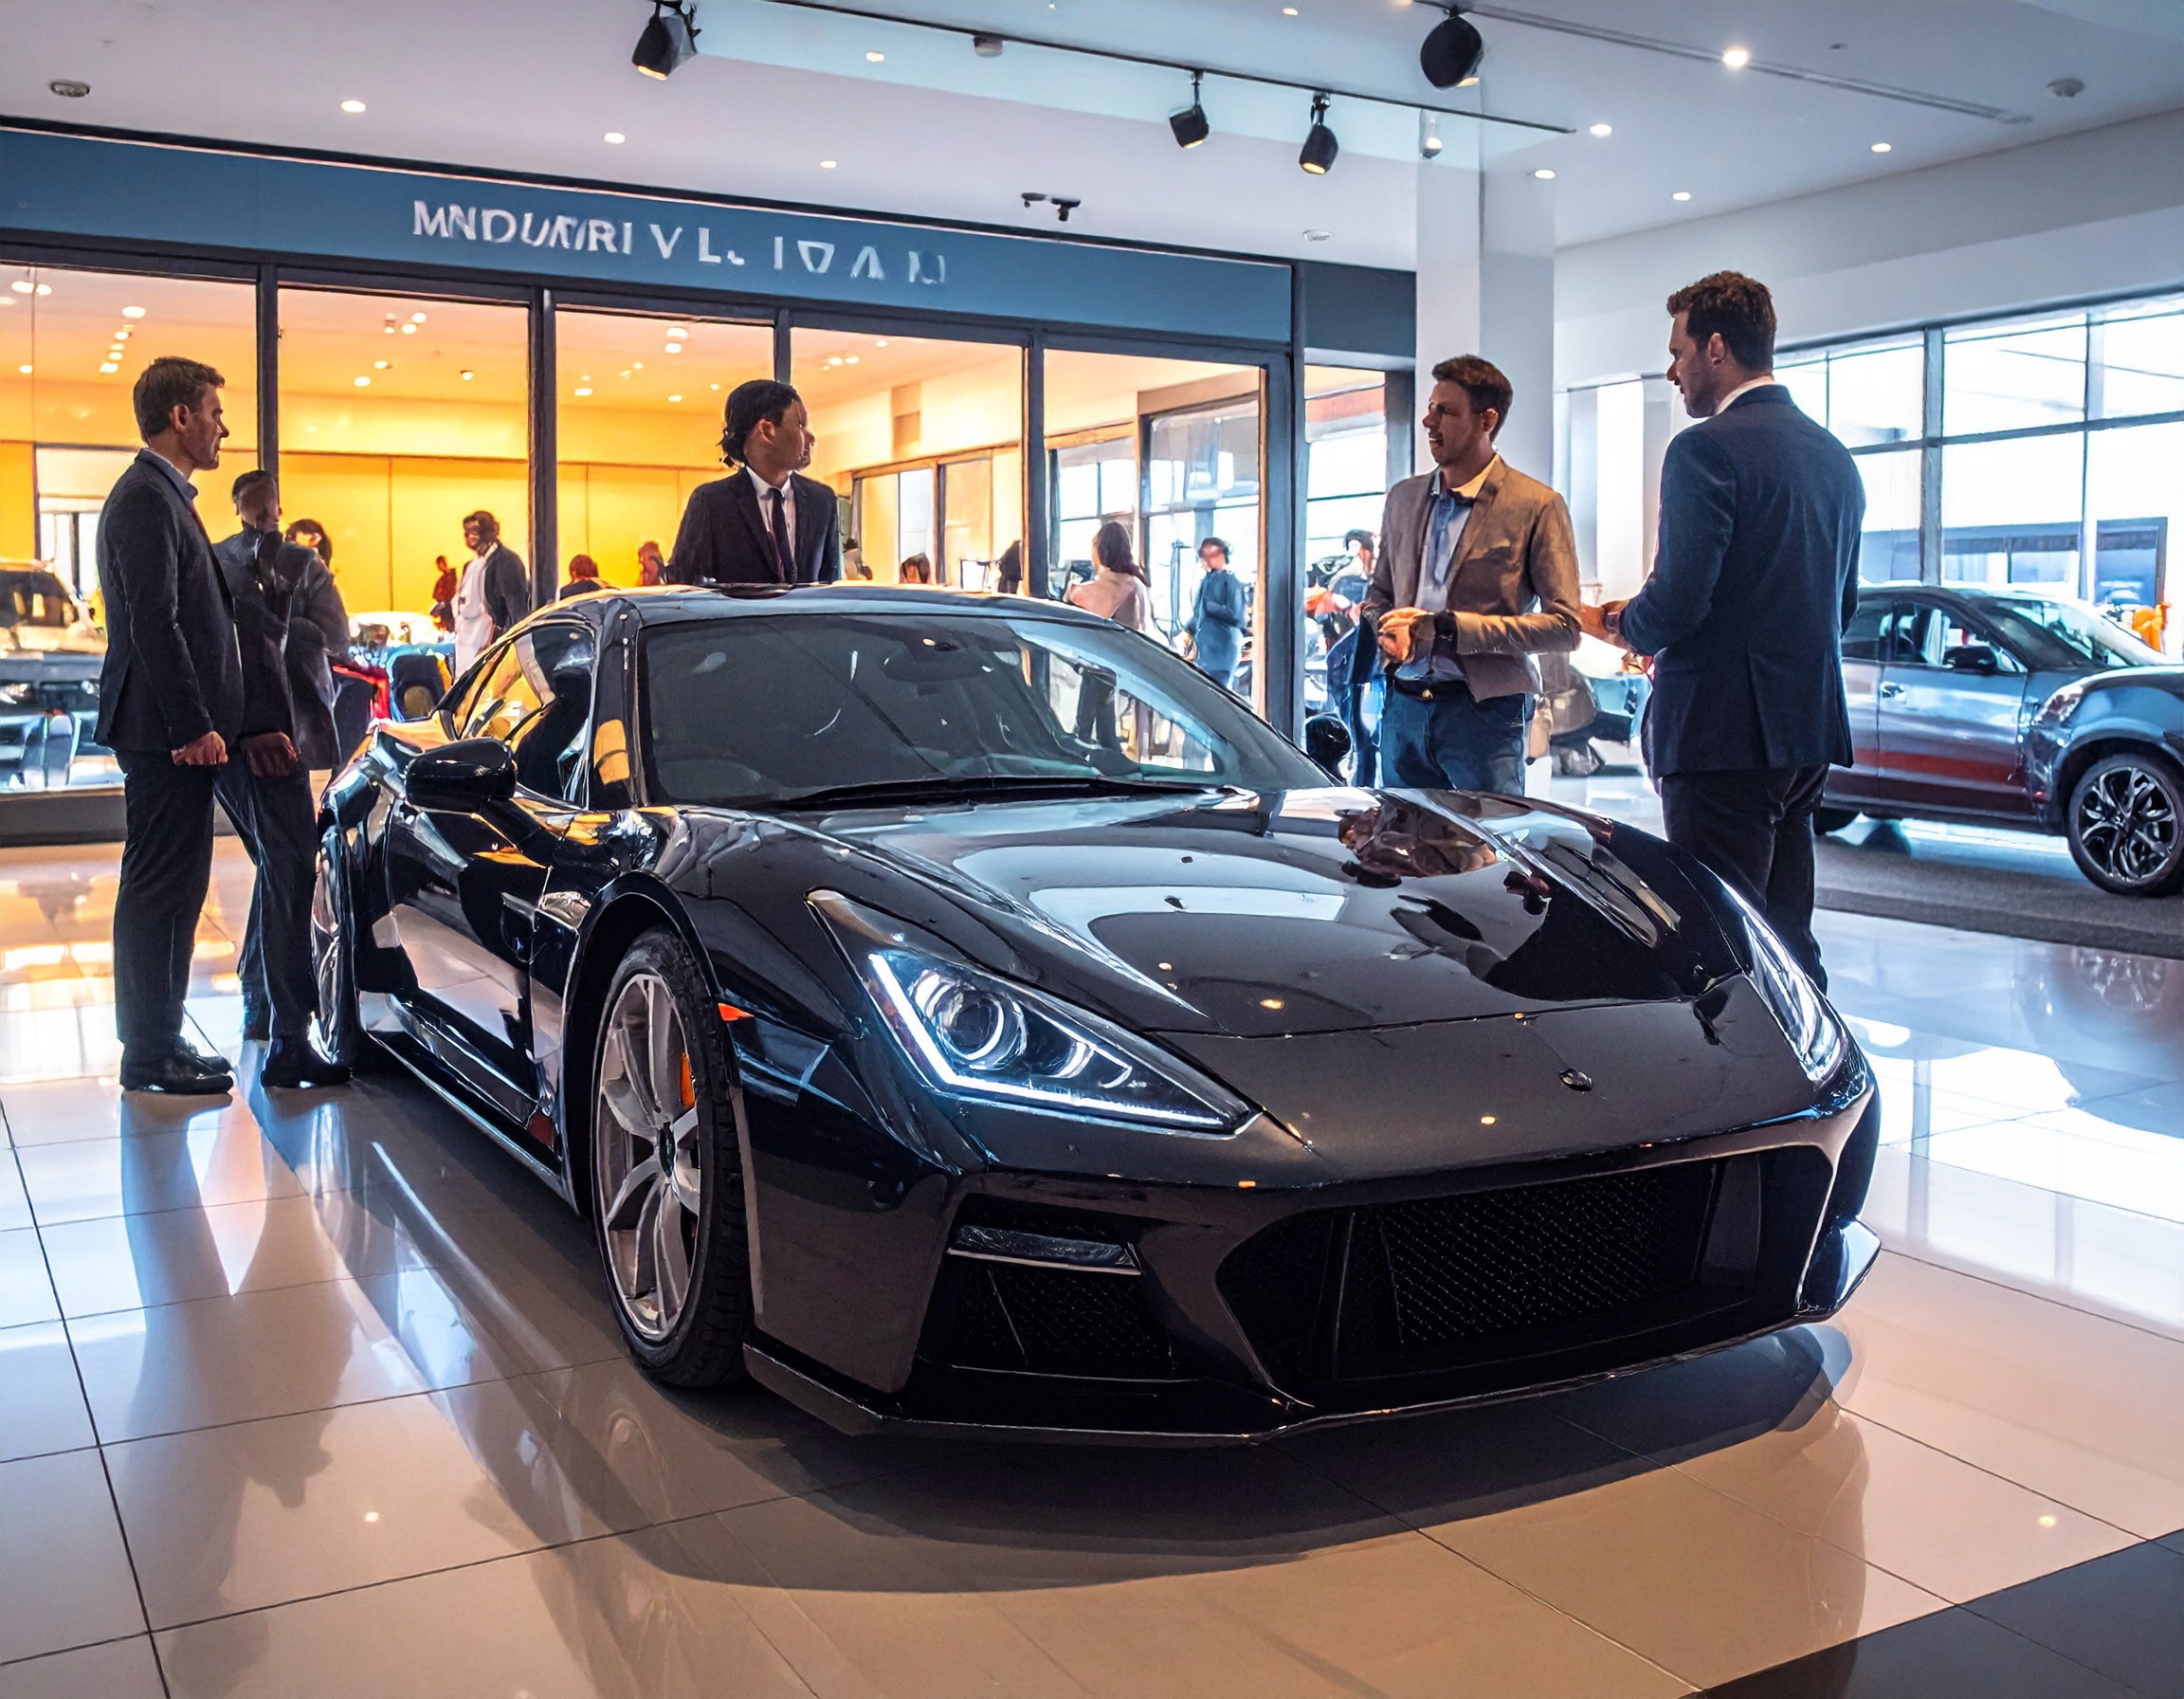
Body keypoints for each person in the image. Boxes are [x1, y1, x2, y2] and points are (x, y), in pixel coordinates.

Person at [1580, 271, 1863, 988]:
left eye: (1677, 353)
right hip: (1804, 729)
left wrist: (1623, 624)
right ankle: (1817, 1073)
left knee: (1723, 936)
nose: (1672, 372)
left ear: (1715, 347)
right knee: (1788, 931)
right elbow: (1843, 606)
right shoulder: (1835, 458)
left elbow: (1677, 602)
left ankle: (1742, 1091)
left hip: (1720, 734)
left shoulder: (1705, 449)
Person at [94, 357, 246, 1094]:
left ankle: (161, 1036)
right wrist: (192, 724)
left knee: (179, 887)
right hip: (163, 733)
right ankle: (149, 1052)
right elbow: (154, 621)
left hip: (171, 731)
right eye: (215, 411)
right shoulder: (145, 499)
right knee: (160, 888)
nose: (224, 426)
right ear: (180, 417)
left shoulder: (162, 495)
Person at [1361, 354, 1581, 796]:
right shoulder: (1402, 498)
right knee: (1401, 854)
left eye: (1445, 411)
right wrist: (1384, 627)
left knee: (1489, 857)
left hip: (1484, 713)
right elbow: (1378, 594)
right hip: (1403, 708)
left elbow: (1565, 628)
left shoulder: (1535, 505)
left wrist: (1452, 629)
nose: (1428, 420)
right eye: (1430, 407)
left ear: (1487, 420)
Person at [212, 469, 351, 1087]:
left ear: (238, 507)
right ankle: (290, 1041)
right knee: (291, 873)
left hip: (225, 740)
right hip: (279, 739)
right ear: (276, 508)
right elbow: (339, 639)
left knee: (277, 866)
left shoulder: (213, 560)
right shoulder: (303, 565)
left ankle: (259, 1005)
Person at [665, 379, 842, 586]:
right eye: (799, 424)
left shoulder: (821, 500)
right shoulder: (712, 503)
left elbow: (832, 587)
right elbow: (685, 585)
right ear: (767, 431)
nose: (811, 437)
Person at [1065, 520, 1149, 748]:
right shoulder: (1136, 583)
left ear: (1101, 552)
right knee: (1103, 718)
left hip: (1103, 666)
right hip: (1125, 667)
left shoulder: (1106, 587)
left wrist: (1071, 585)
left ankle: (1082, 752)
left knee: (1087, 721)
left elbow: (1077, 598)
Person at [452, 509, 530, 675]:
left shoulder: (506, 562)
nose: (469, 539)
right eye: (467, 534)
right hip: (472, 649)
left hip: (491, 653)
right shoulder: (474, 564)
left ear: (488, 533)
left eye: (474, 533)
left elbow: (516, 613)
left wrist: (501, 647)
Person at [1184, 535, 1247, 689]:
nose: (1206, 559)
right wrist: (1188, 629)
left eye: (1211, 554)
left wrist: (1211, 607)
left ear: (1223, 555)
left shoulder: (1231, 581)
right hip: (1206, 652)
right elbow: (1200, 613)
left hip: (1222, 651)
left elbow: (1237, 616)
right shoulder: (1207, 580)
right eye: (1204, 556)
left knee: (1219, 692)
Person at [428, 553, 458, 631]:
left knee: (447, 623)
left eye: (439, 564)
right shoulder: (447, 576)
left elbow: (448, 590)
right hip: (445, 603)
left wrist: (442, 599)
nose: (438, 567)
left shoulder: (449, 576)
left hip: (446, 604)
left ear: (442, 563)